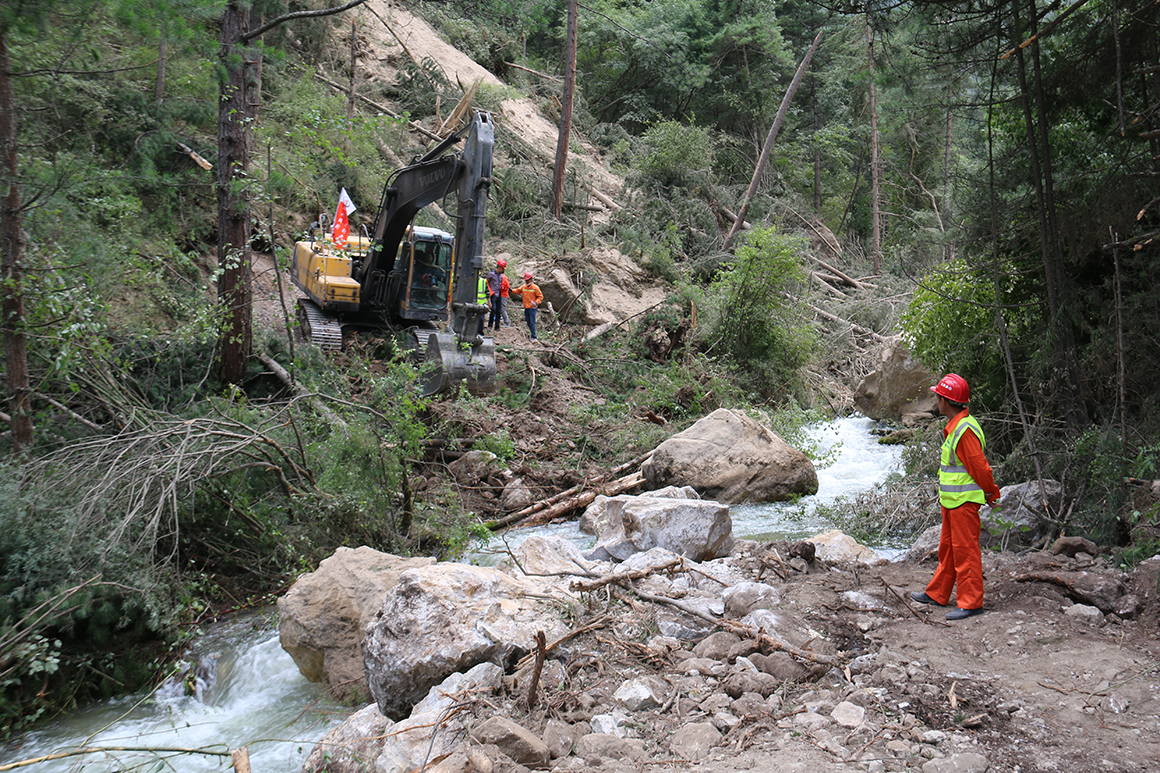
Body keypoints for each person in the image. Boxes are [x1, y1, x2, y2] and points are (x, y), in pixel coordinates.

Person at [911, 373, 1001, 621]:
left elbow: (979, 467)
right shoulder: (957, 426)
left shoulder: (964, 430)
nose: (936, 401)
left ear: (945, 401)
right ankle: (938, 593)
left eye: (938, 397)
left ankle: (971, 602)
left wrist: (991, 491)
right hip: (953, 502)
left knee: (966, 552)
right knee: (949, 549)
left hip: (964, 502)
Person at [510, 271, 544, 341]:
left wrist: (536, 302)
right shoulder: (524, 287)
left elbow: (540, 296)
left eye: (527, 280)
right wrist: (510, 290)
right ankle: (532, 335)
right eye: (526, 280)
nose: (526, 281)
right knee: (528, 322)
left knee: (532, 322)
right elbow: (517, 291)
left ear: (531, 279)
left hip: (532, 308)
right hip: (526, 307)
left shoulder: (535, 288)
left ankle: (534, 336)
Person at [485, 258, 506, 330]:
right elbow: (486, 283)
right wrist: (489, 292)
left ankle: (497, 326)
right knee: (493, 309)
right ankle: (490, 325)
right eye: (502, 268)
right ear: (499, 267)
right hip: (493, 294)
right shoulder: (491, 274)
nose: (503, 270)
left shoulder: (501, 276)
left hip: (499, 294)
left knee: (498, 311)